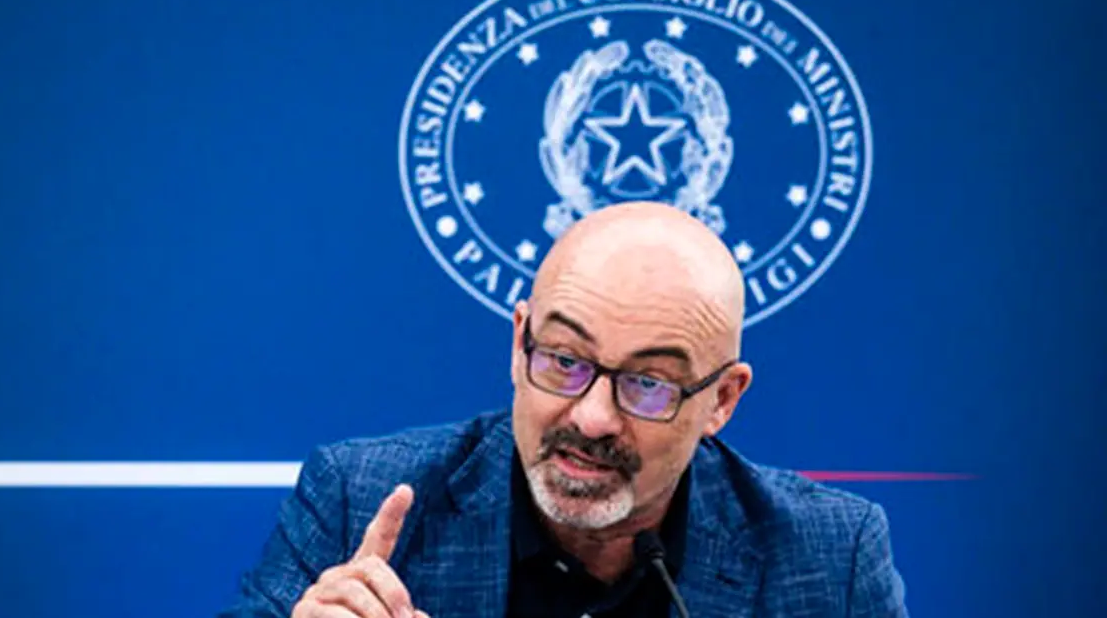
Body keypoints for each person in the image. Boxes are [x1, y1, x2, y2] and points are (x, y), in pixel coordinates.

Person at [218, 201, 909, 618]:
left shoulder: (825, 556)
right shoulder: (358, 501)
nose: (593, 417)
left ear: (721, 400)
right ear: (519, 343)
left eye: (648, 382)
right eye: (565, 361)